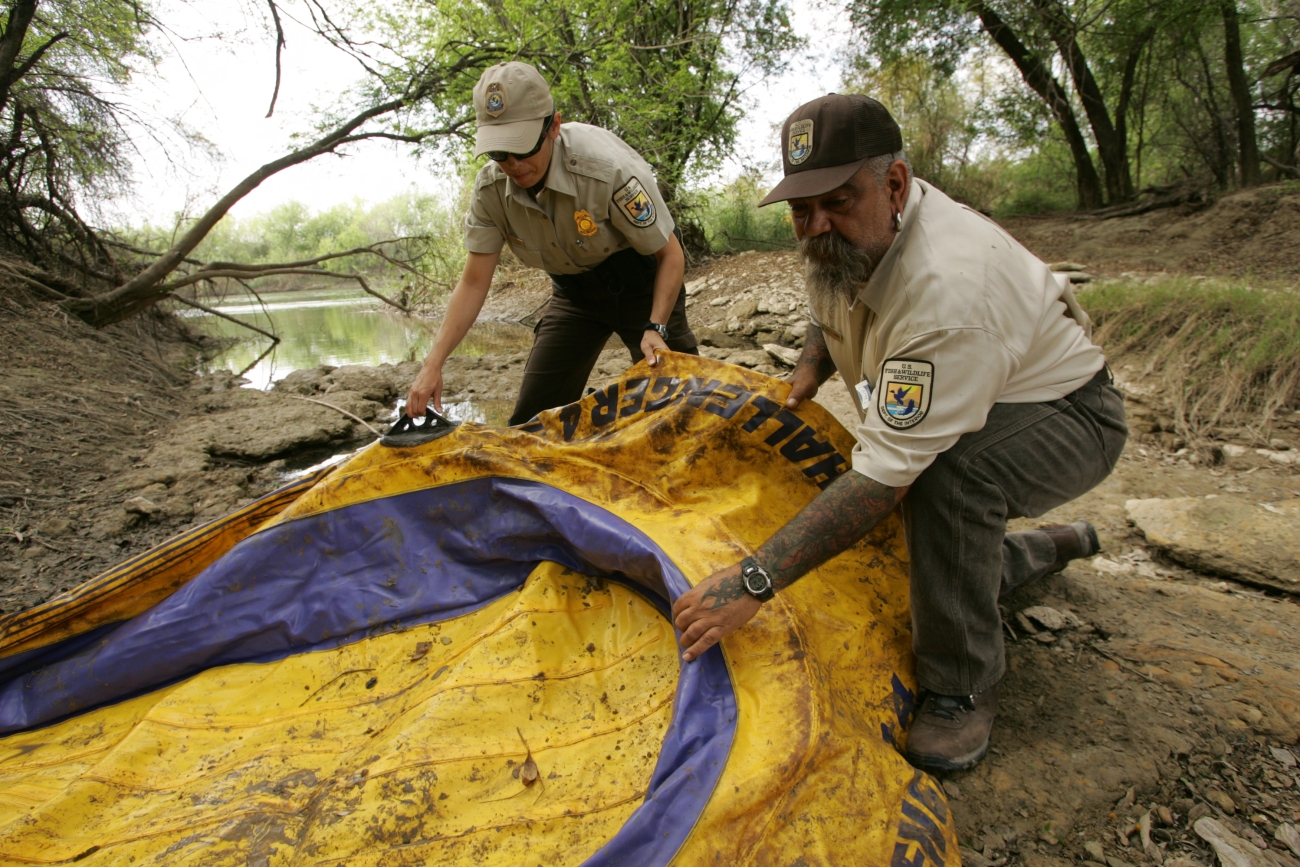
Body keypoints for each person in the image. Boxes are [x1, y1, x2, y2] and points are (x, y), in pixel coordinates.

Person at [670, 94, 1128, 774]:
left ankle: (962, 682)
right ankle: (1020, 559)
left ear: (894, 183)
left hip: (1068, 415)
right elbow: (829, 299)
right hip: (987, 390)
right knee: (926, 495)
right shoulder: (853, 234)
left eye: (836, 202)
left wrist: (751, 581)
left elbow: (884, 479)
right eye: (801, 210)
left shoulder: (949, 290)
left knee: (947, 474)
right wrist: (809, 367)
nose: (816, 225)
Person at [405, 62, 698, 425]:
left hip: (644, 284)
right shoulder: (490, 190)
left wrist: (657, 327)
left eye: (523, 148)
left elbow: (670, 255)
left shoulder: (606, 169)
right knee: (532, 422)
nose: (513, 164)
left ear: (554, 126)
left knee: (685, 409)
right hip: (574, 295)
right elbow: (473, 281)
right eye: (499, 153)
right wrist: (433, 364)